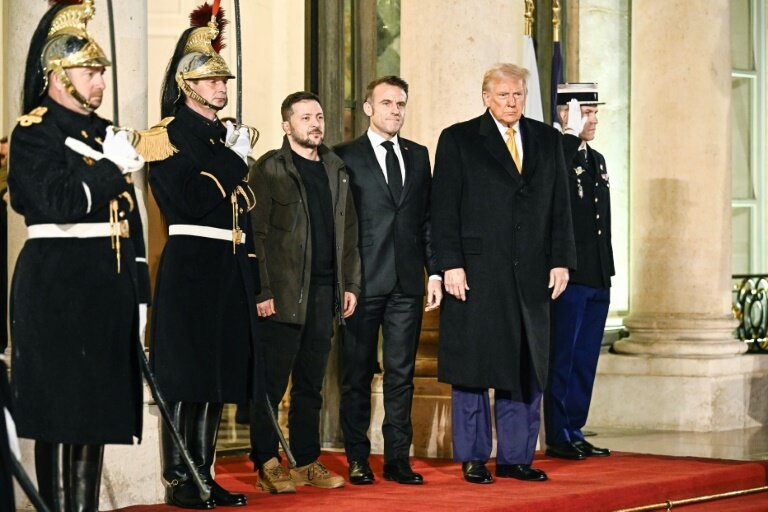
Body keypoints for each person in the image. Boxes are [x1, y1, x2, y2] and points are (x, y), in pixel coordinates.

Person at [8, 1, 149, 510]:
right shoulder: (34, 131)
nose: (100, 83)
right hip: (57, 285)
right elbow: (61, 203)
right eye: (90, 73)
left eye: (101, 73)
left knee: (96, 412)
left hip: (107, 283)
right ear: (58, 75)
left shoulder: (102, 130)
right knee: (58, 411)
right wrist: (111, 168)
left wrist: (140, 292)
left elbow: (127, 217)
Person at [430, 63, 576, 484]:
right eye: (504, 95)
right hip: (476, 272)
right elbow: (444, 210)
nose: (512, 103)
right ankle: (474, 456)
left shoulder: (547, 140)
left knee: (524, 365)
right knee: (475, 365)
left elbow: (560, 207)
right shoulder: (458, 139)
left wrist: (561, 259)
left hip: (532, 273)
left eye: (518, 95)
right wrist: (449, 264)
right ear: (486, 97)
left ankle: (516, 457)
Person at [146, 3, 258, 508]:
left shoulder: (220, 134)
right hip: (190, 264)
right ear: (187, 83)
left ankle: (205, 473)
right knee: (186, 375)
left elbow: (241, 212)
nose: (221, 87)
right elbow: (189, 200)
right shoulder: (166, 136)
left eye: (223, 79)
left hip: (226, 268)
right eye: (211, 80)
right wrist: (234, 159)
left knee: (214, 377)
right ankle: (178, 478)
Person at [248, 91, 360, 493]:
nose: (316, 123)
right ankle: (266, 461)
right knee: (272, 383)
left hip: (325, 291)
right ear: (286, 125)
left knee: (311, 383)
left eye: (319, 116)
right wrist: (262, 290)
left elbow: (348, 233)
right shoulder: (269, 169)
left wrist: (350, 285)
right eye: (306, 117)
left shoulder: (336, 167)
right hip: (282, 292)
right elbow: (256, 235)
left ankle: (306, 460)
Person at [335, 76, 442, 486]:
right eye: (386, 103)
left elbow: (427, 220)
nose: (394, 111)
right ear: (368, 108)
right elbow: (341, 226)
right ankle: (358, 459)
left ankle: (398, 459)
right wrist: (346, 281)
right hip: (361, 285)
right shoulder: (344, 156)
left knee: (402, 374)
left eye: (400, 104)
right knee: (357, 374)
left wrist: (432, 271)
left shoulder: (419, 155)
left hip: (406, 284)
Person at [544, 84, 613, 460]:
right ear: (565, 113)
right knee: (564, 358)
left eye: (595, 112)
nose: (594, 119)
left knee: (585, 359)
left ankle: (575, 427)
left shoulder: (596, 158)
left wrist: (608, 270)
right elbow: (554, 187)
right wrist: (568, 135)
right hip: (569, 275)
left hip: (598, 273)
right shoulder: (555, 150)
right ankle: (557, 433)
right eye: (586, 111)